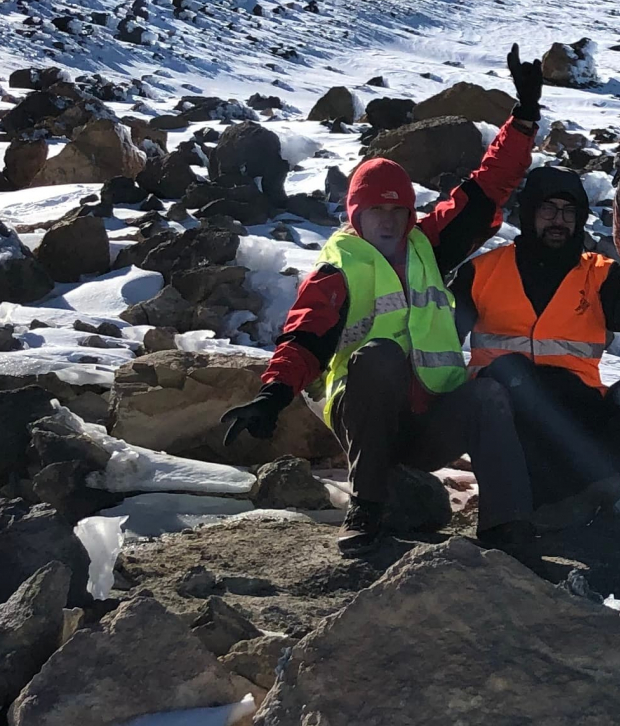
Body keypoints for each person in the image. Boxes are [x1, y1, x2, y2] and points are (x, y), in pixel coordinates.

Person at [221, 47, 544, 557]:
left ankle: (506, 529)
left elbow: (487, 186)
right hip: (368, 424)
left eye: (398, 211)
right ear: (357, 215)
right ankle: (367, 507)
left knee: (489, 391)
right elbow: (304, 336)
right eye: (377, 212)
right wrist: (273, 396)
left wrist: (522, 120)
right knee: (379, 356)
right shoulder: (339, 269)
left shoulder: (428, 246)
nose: (390, 222)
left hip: (429, 421)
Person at [459, 110, 620, 523]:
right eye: (549, 209)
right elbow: (438, 339)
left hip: (576, 412)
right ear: (529, 213)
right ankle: (554, 501)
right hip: (506, 418)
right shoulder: (483, 271)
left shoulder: (598, 273)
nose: (559, 220)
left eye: (569, 212)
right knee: (512, 371)